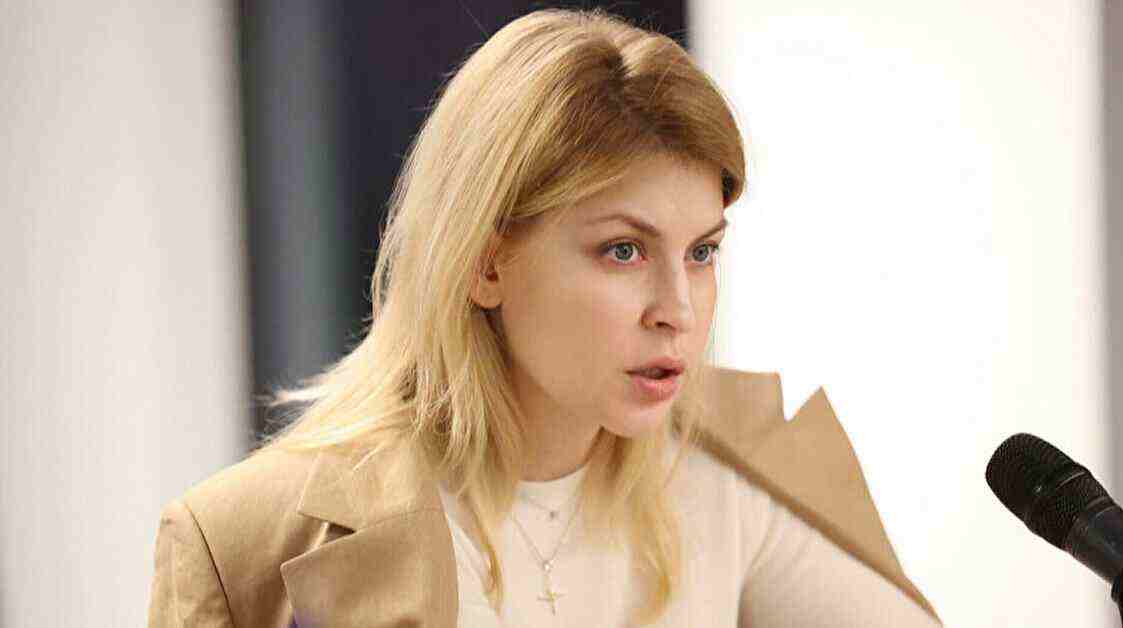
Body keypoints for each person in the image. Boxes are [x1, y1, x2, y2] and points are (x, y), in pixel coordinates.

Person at [147, 7, 943, 627]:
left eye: (701, 252)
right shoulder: (240, 539)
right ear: (485, 262)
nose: (677, 309)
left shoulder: (736, 480)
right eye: (623, 251)